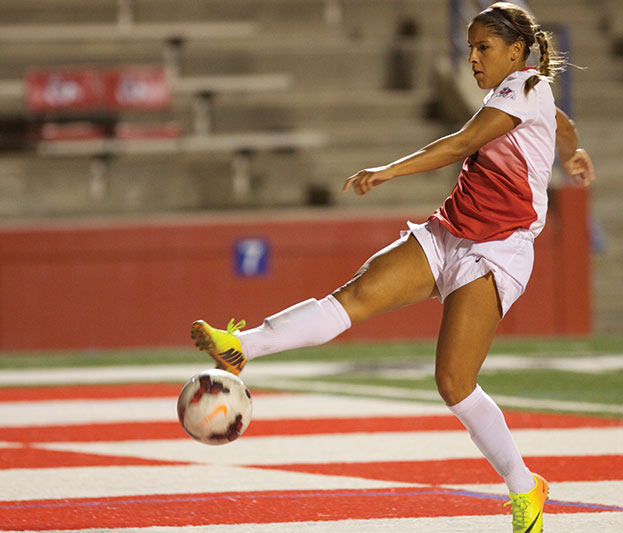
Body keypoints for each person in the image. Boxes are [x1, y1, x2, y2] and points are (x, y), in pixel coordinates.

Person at [191, 3, 594, 532]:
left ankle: (525, 487)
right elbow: (560, 123)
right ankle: (243, 348)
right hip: (449, 231)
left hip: (497, 249)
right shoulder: (531, 93)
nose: (472, 58)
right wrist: (572, 152)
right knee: (355, 296)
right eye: (469, 47)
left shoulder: (522, 89)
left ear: (515, 52)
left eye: (483, 48)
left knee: (453, 382)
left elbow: (463, 144)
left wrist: (387, 171)